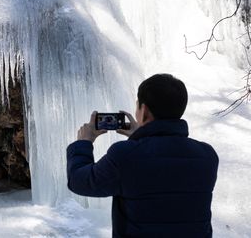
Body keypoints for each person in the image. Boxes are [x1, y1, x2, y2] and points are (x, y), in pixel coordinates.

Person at [66, 74, 219, 238]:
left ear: (144, 110)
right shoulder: (207, 156)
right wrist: (141, 136)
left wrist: (84, 142)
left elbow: (79, 181)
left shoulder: (125, 156)